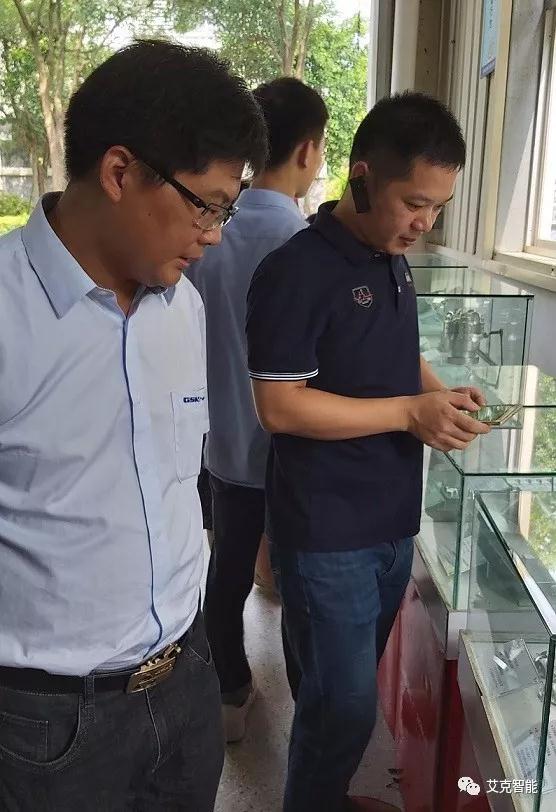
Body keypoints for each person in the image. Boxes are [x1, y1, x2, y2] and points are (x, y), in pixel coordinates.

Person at [0, 40, 266, 812]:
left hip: (186, 683)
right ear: (119, 172)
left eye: (227, 209)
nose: (215, 233)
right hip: (47, 723)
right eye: (205, 204)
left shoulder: (182, 306)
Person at [246, 92, 490, 812]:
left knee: (338, 701)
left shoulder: (391, 257)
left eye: (438, 207)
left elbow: (391, 352)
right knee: (343, 707)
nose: (424, 222)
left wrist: (440, 395)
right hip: (327, 532)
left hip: (389, 520)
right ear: (361, 177)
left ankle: (325, 795)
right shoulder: (297, 269)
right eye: (414, 202)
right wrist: (409, 413)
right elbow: (279, 405)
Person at [187, 76, 328, 743]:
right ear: (308, 149)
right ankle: (310, 714)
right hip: (295, 449)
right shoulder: (307, 243)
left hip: (221, 441)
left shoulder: (210, 229)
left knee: (227, 570)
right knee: (303, 583)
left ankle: (230, 692)